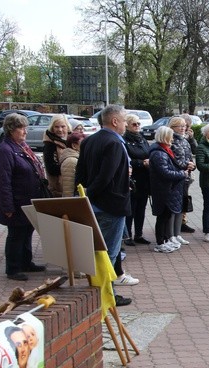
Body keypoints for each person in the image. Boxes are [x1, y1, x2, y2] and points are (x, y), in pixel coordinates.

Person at [75, 104, 133, 307]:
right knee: (109, 253)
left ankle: (98, 292)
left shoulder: (90, 141)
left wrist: (83, 196)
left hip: (93, 205)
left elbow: (80, 174)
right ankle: (106, 294)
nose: (126, 124)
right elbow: (105, 177)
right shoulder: (114, 143)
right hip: (110, 205)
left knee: (98, 251)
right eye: (124, 120)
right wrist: (91, 194)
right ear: (114, 121)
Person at [0, 113, 47, 281]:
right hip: (16, 202)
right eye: (22, 128)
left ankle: (26, 262)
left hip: (28, 201)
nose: (25, 132)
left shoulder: (21, 147)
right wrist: (7, 207)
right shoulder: (5, 151)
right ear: (11, 129)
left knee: (27, 231)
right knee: (16, 234)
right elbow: (3, 182)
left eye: (26, 128)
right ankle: (13, 268)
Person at [149, 126, 188, 253]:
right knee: (162, 217)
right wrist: (182, 174)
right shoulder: (159, 153)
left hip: (169, 190)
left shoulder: (165, 151)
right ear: (165, 137)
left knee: (166, 216)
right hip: (163, 190)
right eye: (170, 136)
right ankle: (160, 242)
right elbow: (165, 173)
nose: (172, 139)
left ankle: (165, 240)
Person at [124, 113, 152, 245]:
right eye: (134, 124)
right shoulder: (125, 140)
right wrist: (141, 163)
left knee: (141, 208)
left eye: (138, 124)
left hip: (145, 179)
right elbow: (126, 160)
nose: (137, 126)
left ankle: (139, 234)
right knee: (131, 208)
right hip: (133, 179)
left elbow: (149, 152)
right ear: (127, 126)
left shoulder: (142, 139)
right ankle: (128, 235)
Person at [168, 116, 195, 246]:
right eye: (180, 126)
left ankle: (178, 234)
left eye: (184, 126)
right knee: (173, 207)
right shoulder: (171, 140)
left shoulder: (185, 141)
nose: (183, 128)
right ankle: (171, 235)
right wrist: (185, 165)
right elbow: (173, 160)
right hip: (175, 178)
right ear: (172, 128)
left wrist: (192, 165)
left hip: (185, 178)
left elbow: (190, 155)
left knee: (181, 206)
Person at [42, 114, 69, 197]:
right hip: (58, 189)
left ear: (67, 127)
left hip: (69, 185)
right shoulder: (49, 145)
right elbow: (51, 169)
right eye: (56, 127)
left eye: (63, 126)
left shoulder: (71, 141)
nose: (60, 130)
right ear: (52, 128)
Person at [180, 113, 199, 234]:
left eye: (188, 126)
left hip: (188, 174)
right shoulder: (174, 136)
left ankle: (183, 221)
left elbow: (196, 150)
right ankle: (178, 222)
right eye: (184, 125)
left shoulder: (188, 137)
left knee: (185, 197)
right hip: (179, 173)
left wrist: (191, 139)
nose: (186, 128)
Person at [59, 131, 85, 198]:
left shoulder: (77, 158)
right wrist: (70, 206)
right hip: (73, 202)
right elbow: (68, 189)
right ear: (74, 145)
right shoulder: (71, 161)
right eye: (83, 143)